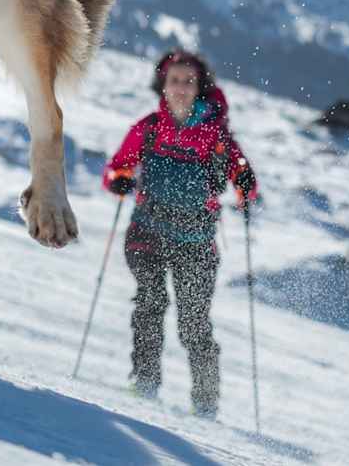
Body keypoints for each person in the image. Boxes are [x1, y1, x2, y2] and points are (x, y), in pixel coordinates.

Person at [102, 49, 257, 418]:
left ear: (201, 87)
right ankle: (145, 381)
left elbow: (244, 180)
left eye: (189, 81)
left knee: (193, 323)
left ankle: (204, 403)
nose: (181, 88)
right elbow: (115, 170)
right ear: (163, 84)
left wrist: (245, 184)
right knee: (150, 306)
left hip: (196, 244)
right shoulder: (149, 128)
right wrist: (119, 181)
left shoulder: (216, 137)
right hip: (147, 234)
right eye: (175, 80)